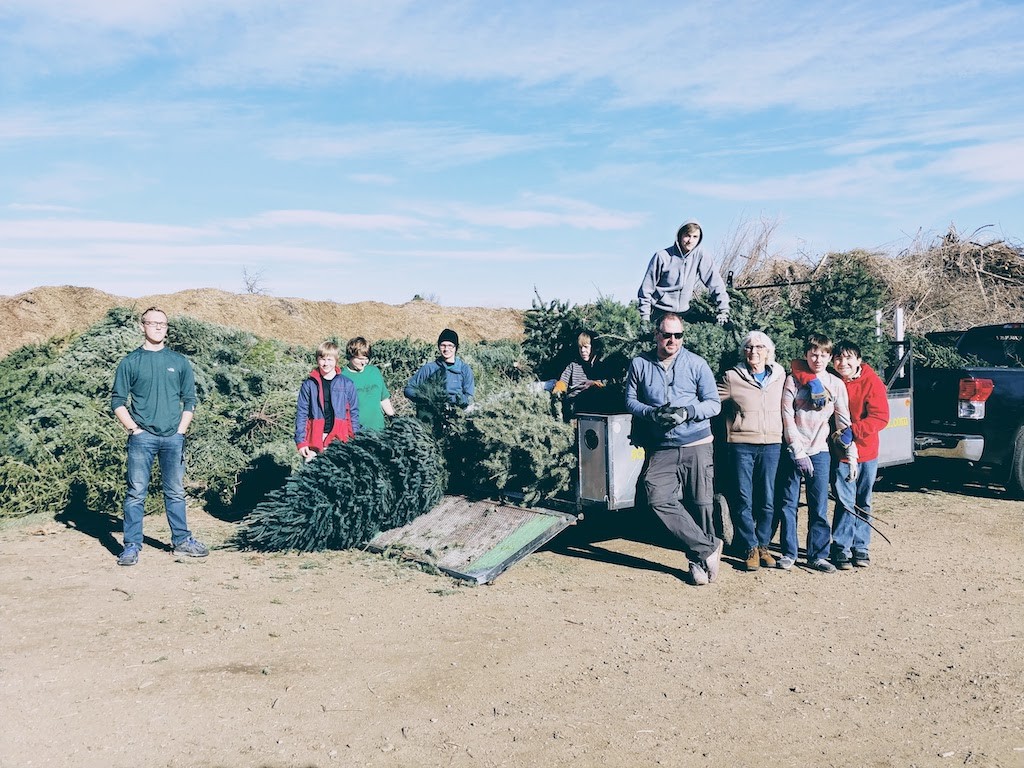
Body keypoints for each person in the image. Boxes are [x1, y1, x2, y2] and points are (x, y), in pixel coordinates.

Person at [625, 313, 724, 586]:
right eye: (667, 335)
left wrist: (688, 412)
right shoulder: (640, 364)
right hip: (663, 446)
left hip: (696, 442)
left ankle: (698, 563)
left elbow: (714, 404)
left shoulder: (696, 364)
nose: (672, 340)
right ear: (656, 335)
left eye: (677, 335)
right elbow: (630, 400)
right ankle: (708, 547)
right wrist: (652, 413)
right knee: (656, 495)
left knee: (701, 503)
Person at [110, 307, 207, 566]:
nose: (158, 328)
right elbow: (117, 401)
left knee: (175, 492)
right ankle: (131, 546)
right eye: (152, 323)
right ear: (142, 326)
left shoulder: (179, 362)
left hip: (173, 439)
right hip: (142, 438)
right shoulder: (130, 362)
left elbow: (190, 400)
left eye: (162, 324)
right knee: (136, 493)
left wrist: (181, 431)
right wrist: (134, 429)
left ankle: (182, 542)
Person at [776, 334, 856, 573]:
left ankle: (817, 555)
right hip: (794, 451)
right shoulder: (793, 381)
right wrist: (797, 451)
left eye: (823, 355)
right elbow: (787, 416)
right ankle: (789, 552)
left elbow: (843, 422)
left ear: (829, 357)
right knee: (788, 504)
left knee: (818, 505)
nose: (817, 359)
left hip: (820, 450)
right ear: (806, 355)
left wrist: (852, 455)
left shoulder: (836, 384)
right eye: (813, 354)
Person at [717, 331, 785, 571]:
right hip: (741, 445)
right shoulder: (731, 378)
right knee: (743, 499)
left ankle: (764, 545)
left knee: (767, 498)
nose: (753, 352)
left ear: (768, 351)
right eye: (748, 347)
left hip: (772, 445)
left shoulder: (780, 376)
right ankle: (750, 547)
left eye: (759, 347)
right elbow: (711, 401)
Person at [828, 340, 889, 568]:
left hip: (866, 451)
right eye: (838, 358)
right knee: (845, 501)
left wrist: (854, 431)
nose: (843, 363)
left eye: (848, 358)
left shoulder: (871, 382)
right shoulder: (830, 381)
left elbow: (880, 417)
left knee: (863, 500)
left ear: (858, 361)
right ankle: (841, 546)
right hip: (841, 454)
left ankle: (861, 546)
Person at [637, 220, 730, 326]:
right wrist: (645, 317)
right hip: (660, 312)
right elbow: (646, 289)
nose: (691, 240)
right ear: (680, 236)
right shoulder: (662, 256)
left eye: (695, 237)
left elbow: (715, 283)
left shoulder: (701, 255)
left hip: (683, 313)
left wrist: (724, 310)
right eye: (687, 236)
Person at [295, 341, 360, 462]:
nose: (326, 363)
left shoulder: (347, 384)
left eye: (330, 359)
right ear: (317, 360)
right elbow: (302, 413)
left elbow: (353, 414)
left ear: (336, 360)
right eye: (322, 359)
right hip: (314, 439)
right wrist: (301, 442)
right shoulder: (309, 384)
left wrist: (355, 439)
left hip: (340, 439)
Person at [404, 328, 475, 407]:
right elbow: (409, 389)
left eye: (450, 346)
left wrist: (454, 400)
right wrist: (424, 398)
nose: (446, 349)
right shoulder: (429, 368)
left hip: (456, 412)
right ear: (438, 346)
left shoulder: (465, 369)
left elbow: (469, 397)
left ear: (456, 348)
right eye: (443, 345)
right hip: (431, 411)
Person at [340, 337, 395, 432]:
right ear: (350, 356)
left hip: (379, 430)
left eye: (366, 359)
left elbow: (383, 399)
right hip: (355, 432)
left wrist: (393, 418)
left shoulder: (374, 371)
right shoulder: (341, 377)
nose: (364, 362)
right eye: (360, 359)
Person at [553, 331, 607, 418]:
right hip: (573, 403)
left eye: (586, 347)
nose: (582, 350)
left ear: (593, 348)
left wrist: (594, 384)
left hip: (592, 404)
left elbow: (603, 386)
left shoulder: (599, 366)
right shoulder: (573, 365)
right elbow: (563, 381)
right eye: (580, 347)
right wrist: (559, 388)